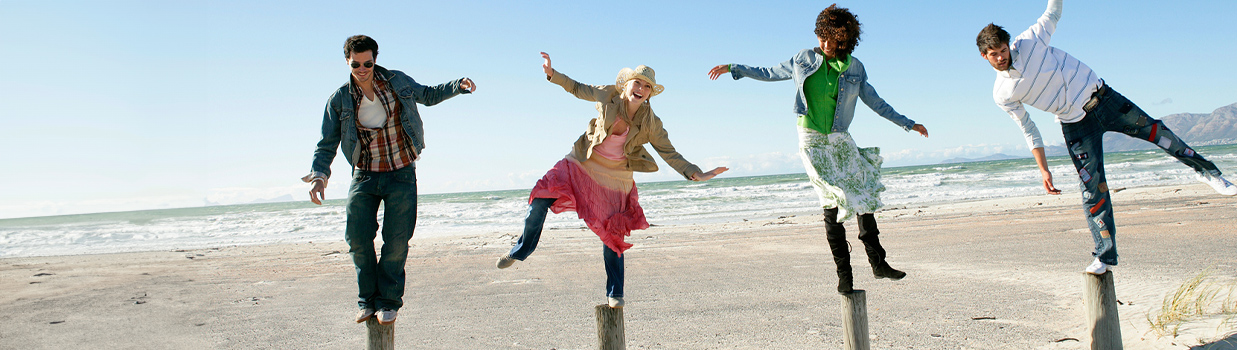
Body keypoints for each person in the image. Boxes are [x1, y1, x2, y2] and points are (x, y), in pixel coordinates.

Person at [976, 0, 1237, 275]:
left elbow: (1053, 11)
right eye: (994, 54)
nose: (1001, 57)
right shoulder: (1003, 94)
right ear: (985, 56)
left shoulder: (1030, 41)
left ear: (1010, 45)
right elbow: (1028, 128)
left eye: (1003, 50)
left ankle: (1209, 173)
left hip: (1106, 101)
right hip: (1076, 126)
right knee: (1093, 189)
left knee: (1158, 133)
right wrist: (1043, 169)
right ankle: (1104, 256)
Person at [707, 4, 929, 294]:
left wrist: (908, 123)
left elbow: (876, 102)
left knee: (862, 193)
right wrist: (735, 68)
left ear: (846, 39)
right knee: (831, 200)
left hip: (839, 137)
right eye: (822, 37)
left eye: (833, 39)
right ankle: (845, 275)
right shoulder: (803, 58)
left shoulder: (855, 67)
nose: (826, 44)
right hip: (811, 138)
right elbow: (769, 72)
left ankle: (878, 263)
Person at [495, 52, 728, 308]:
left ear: (650, 93)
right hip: (582, 162)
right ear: (626, 84)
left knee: (613, 232)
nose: (640, 89)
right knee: (540, 199)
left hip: (615, 177)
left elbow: (669, 153)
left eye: (647, 86)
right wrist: (552, 74)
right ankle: (521, 250)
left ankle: (615, 292)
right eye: (637, 83)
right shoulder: (608, 95)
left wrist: (696, 172)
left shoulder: (651, 123)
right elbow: (577, 88)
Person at [303, 35, 474, 325]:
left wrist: (457, 86)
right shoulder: (339, 99)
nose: (362, 69)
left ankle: (388, 301)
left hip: (401, 172)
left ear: (374, 60)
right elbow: (327, 141)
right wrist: (320, 176)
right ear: (347, 62)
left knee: (396, 241)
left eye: (367, 63)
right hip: (365, 175)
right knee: (357, 239)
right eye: (356, 64)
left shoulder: (397, 81)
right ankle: (367, 300)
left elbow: (428, 95)